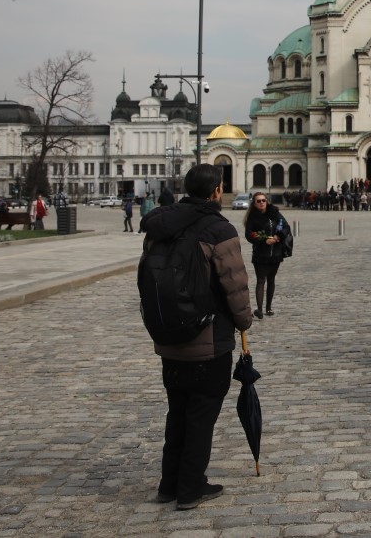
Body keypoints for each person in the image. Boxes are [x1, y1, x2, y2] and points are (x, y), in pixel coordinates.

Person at [142, 163, 253, 511]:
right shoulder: (219, 229)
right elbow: (234, 283)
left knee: (178, 412)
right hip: (209, 337)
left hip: (168, 335)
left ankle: (169, 484)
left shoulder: (160, 225)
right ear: (217, 190)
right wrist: (243, 322)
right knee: (201, 415)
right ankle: (191, 487)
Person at [244, 192, 290, 319]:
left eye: (263, 200)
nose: (262, 203)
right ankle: (259, 309)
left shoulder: (275, 213)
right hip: (260, 253)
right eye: (258, 201)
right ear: (254, 203)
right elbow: (249, 234)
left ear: (267, 201)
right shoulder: (252, 217)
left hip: (275, 253)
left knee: (271, 280)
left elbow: (285, 227)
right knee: (261, 280)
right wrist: (263, 240)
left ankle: (268, 308)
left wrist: (277, 237)